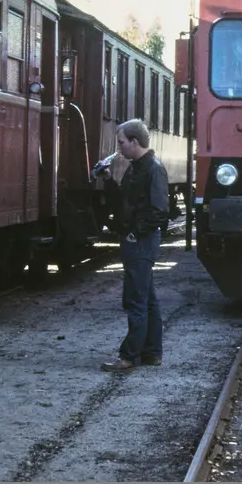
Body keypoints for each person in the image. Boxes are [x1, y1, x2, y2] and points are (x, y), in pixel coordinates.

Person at [98, 119, 170, 371]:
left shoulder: (152, 169)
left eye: (121, 143)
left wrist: (135, 234)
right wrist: (107, 179)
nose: (119, 148)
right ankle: (152, 353)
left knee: (135, 300)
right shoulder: (137, 167)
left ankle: (128, 356)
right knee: (147, 299)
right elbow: (125, 203)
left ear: (134, 142)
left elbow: (160, 211)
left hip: (141, 241)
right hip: (137, 239)